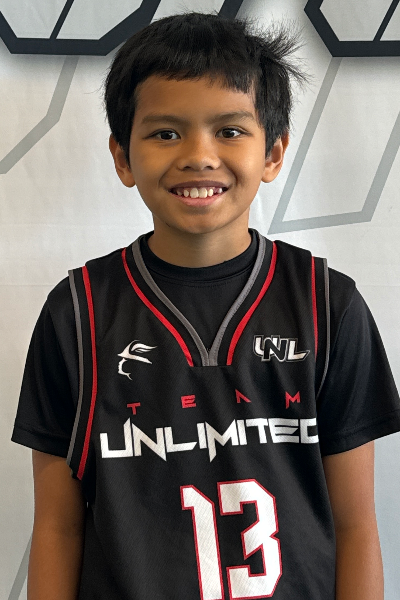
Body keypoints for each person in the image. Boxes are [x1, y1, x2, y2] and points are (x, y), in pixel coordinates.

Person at [11, 11, 400, 600]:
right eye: (166, 133)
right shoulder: (77, 313)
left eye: (230, 131)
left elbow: (356, 525)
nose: (199, 155)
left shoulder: (328, 304)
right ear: (122, 157)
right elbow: (57, 528)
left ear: (273, 154)